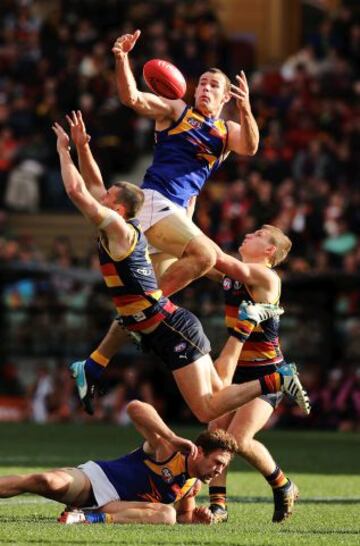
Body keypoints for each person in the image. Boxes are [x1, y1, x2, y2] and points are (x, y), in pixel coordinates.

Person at [52, 122, 309, 424]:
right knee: (214, 414)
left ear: (119, 210)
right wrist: (83, 148)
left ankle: (278, 380)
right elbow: (94, 187)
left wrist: (62, 150)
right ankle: (99, 360)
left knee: (209, 410)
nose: (102, 198)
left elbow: (77, 190)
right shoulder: (122, 227)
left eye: (109, 197)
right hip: (166, 327)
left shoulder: (120, 231)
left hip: (174, 327)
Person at [112, 29, 260, 296]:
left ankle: (134, 322)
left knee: (215, 274)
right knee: (210, 257)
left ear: (226, 96)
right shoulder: (177, 110)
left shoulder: (227, 130)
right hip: (156, 201)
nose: (205, 88)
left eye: (214, 85)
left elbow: (250, 148)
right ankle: (259, 286)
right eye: (202, 83)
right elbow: (131, 98)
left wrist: (246, 109)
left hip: (177, 213)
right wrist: (122, 58)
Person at [0, 400, 237, 525]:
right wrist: (171, 436)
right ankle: (84, 514)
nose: (218, 471)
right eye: (217, 462)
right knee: (45, 481)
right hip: (98, 481)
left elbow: (184, 517)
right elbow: (135, 408)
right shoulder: (168, 449)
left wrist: (198, 519)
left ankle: (86, 518)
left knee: (167, 516)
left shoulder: (192, 486)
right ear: (201, 452)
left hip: (112, 508)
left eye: (223, 467)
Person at [205, 225, 304, 523]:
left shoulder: (265, 276)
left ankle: (283, 485)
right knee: (214, 435)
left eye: (258, 234)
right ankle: (218, 506)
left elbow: (216, 259)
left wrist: (181, 230)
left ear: (269, 250)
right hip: (237, 373)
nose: (248, 234)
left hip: (267, 375)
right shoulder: (235, 275)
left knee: (238, 439)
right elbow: (205, 262)